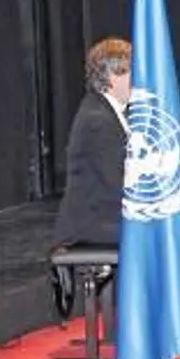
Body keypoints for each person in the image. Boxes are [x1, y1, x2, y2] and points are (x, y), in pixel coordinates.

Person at [53, 38, 130, 248]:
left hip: (106, 217)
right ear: (113, 76)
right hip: (95, 225)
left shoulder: (104, 110)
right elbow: (117, 183)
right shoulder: (99, 121)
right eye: (132, 72)